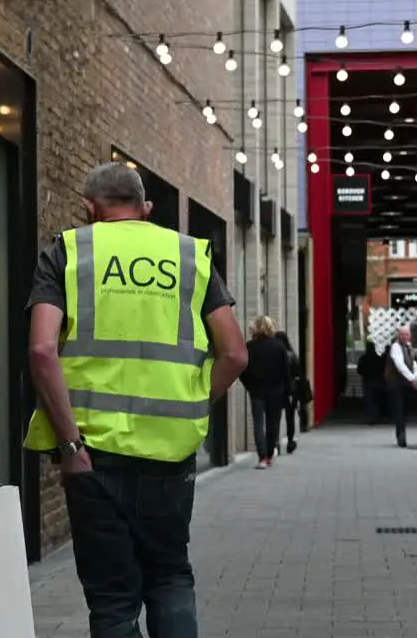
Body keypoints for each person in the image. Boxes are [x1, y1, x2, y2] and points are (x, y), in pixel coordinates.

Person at [23, 162, 248, 638]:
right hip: (169, 452)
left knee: (112, 601)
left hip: (92, 453)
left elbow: (42, 350)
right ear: (146, 209)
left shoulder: (68, 251)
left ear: (89, 208)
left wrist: (69, 447)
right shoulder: (191, 257)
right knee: (169, 575)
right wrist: (190, 401)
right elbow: (235, 353)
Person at [240, 317, 290, 469]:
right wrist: (286, 391)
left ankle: (262, 457)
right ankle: (269, 454)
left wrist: (249, 385)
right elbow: (286, 372)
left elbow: (243, 369)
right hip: (276, 391)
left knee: (258, 424)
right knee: (273, 424)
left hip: (256, 391)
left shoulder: (249, 347)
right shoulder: (279, 347)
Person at [383, 324, 417, 448]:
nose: (405, 337)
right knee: (399, 410)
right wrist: (412, 378)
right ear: (399, 335)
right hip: (395, 383)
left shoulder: (409, 347)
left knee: (404, 410)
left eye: (407, 334)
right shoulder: (395, 347)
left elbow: (413, 363)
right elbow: (400, 365)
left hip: (404, 383)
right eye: (403, 334)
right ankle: (401, 436)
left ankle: (401, 432)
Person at [274, 330, 302, 454]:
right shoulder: (292, 355)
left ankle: (276, 443)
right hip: (291, 391)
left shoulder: (275, 355)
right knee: (290, 418)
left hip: (277, 389)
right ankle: (290, 441)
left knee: (275, 417)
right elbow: (298, 374)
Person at [356, 340, 385, 424]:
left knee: (370, 400)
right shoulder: (379, 358)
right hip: (379, 380)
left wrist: (365, 373)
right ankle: (378, 415)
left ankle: (372, 416)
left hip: (368, 380)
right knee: (378, 399)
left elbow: (359, 370)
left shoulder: (363, 358)